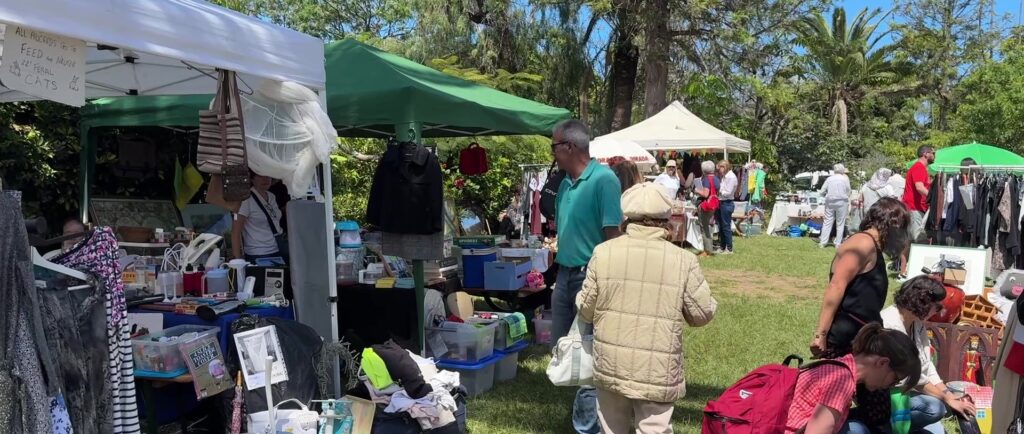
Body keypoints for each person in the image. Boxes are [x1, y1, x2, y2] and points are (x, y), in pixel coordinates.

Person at [577, 182, 717, 434]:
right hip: (658, 367)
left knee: (611, 428)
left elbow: (586, 310)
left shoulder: (603, 253)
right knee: (654, 429)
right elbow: (701, 314)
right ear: (666, 217)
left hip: (611, 363)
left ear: (626, 216)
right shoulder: (683, 260)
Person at [551, 119, 624, 434]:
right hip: (564, 274)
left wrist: (606, 280)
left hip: (590, 276)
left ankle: (588, 426)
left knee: (589, 353)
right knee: (563, 348)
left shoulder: (605, 180)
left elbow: (613, 235)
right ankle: (590, 416)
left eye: (554, 146)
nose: (552, 153)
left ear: (569, 147)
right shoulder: (565, 183)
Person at [839, 276, 975, 434]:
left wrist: (949, 395)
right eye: (937, 307)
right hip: (882, 397)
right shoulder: (889, 323)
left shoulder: (917, 324)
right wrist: (948, 399)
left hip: (902, 395)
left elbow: (927, 365)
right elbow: (909, 377)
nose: (940, 311)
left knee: (936, 414)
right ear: (922, 302)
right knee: (935, 407)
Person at [810, 197, 910, 359]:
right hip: (847, 337)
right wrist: (820, 334)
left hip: (861, 336)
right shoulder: (862, 243)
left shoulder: (871, 246)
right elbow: (836, 285)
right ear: (892, 224)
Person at [787, 323, 922, 434]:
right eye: (895, 380)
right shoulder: (842, 381)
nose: (890, 386)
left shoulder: (839, 365)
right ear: (882, 363)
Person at [232, 173, 286, 262]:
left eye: (268, 176)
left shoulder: (272, 196)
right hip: (259, 252)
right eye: (261, 176)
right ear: (252, 179)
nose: (266, 179)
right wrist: (237, 261)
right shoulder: (245, 199)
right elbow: (235, 232)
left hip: (278, 248)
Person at [901, 146, 935, 276]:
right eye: (933, 153)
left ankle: (903, 271)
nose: (934, 155)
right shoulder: (919, 167)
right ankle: (913, 272)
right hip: (915, 209)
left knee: (908, 241)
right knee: (920, 240)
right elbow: (919, 187)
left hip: (912, 208)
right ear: (926, 154)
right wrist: (933, 199)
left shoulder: (919, 168)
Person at [942, 158, 977, 246]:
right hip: (961, 221)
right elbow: (968, 204)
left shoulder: (960, 180)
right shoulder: (957, 181)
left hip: (960, 220)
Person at [819, 164, 853, 248]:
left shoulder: (829, 179)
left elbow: (822, 191)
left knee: (827, 221)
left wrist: (825, 195)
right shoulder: (845, 179)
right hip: (842, 201)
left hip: (830, 201)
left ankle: (823, 242)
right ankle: (838, 243)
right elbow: (849, 191)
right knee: (840, 223)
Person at [694, 161, 720, 257]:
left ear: (704, 170)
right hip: (713, 205)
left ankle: (707, 251)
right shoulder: (717, 179)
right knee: (707, 228)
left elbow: (705, 194)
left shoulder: (706, 179)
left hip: (705, 205)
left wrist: (696, 190)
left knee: (704, 228)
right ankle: (708, 250)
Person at [715, 160, 738, 254]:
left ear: (724, 167)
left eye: (720, 168)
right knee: (721, 226)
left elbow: (728, 192)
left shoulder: (731, 177)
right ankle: (722, 246)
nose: (719, 170)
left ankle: (729, 248)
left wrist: (719, 191)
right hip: (721, 202)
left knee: (726, 226)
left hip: (727, 203)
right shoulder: (725, 177)